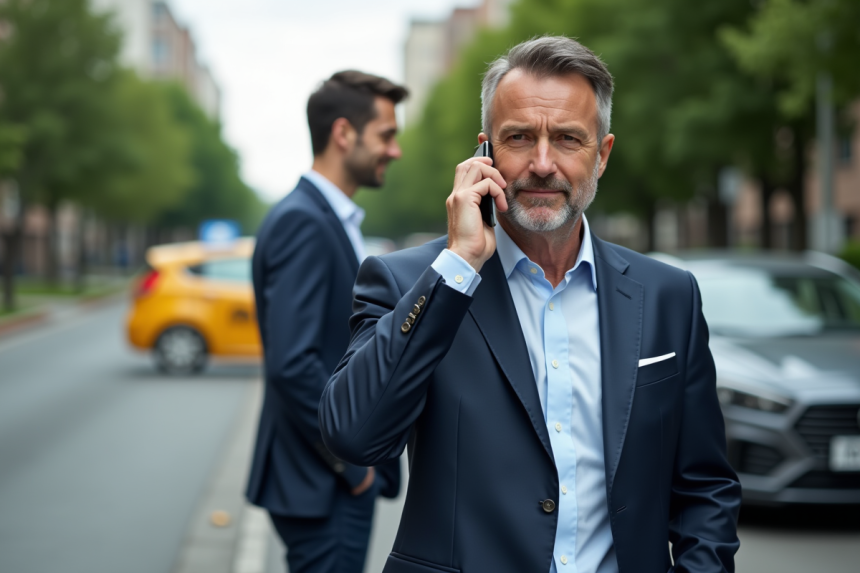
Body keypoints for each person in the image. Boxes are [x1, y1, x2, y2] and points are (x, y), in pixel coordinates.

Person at [320, 37, 741, 573]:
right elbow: (354, 435)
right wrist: (458, 267)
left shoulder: (668, 296)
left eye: (568, 138)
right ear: (485, 152)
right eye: (520, 137)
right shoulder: (412, 283)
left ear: (603, 155)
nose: (543, 164)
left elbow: (705, 487)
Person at [246, 70, 407, 573]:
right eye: (386, 134)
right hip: (323, 483)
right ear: (343, 134)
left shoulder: (323, 217)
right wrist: (349, 465)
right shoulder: (305, 222)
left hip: (320, 481)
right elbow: (292, 364)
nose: (395, 150)